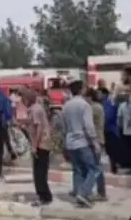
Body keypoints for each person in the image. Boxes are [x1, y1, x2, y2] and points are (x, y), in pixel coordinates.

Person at [62, 80, 101, 208]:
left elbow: (64, 126)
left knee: (78, 170)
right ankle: (83, 193)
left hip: (70, 141)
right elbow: (89, 126)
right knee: (94, 169)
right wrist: (95, 142)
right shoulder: (84, 105)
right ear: (81, 90)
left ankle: (79, 194)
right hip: (82, 141)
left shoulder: (66, 106)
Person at [23, 89, 53, 206]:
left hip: (41, 144)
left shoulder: (34, 110)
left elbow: (38, 127)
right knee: (41, 170)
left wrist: (35, 145)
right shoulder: (37, 108)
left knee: (39, 172)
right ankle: (46, 195)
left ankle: (43, 196)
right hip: (44, 143)